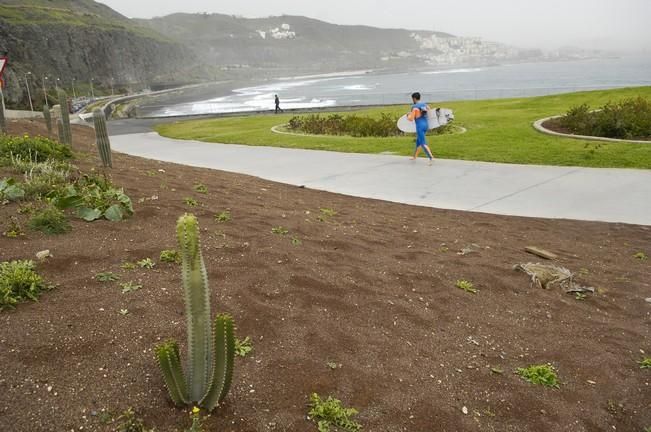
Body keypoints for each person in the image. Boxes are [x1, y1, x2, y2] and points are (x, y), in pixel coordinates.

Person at [407, 92, 435, 165]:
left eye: (412, 99)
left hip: (419, 126)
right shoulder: (425, 105)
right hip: (426, 125)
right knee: (418, 142)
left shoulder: (414, 107)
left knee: (423, 143)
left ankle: (431, 158)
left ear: (414, 98)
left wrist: (408, 115)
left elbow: (411, 119)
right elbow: (429, 112)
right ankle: (414, 157)